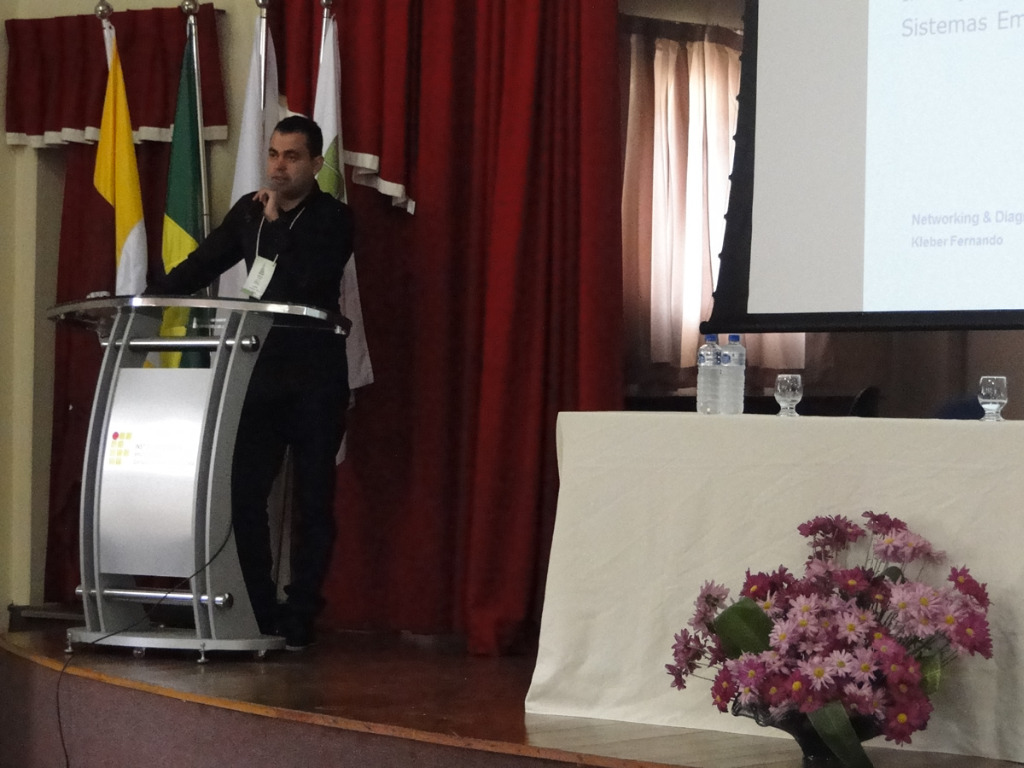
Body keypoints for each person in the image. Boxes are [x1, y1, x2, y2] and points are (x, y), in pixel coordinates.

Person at [147, 115, 354, 650]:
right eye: (273, 154)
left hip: (315, 380)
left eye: (292, 157)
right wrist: (148, 299)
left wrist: (275, 222)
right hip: (259, 374)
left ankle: (301, 614)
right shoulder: (248, 212)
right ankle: (258, 608)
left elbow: (308, 276)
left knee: (313, 502)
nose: (278, 166)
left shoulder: (334, 218)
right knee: (243, 493)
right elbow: (201, 264)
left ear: (316, 164)